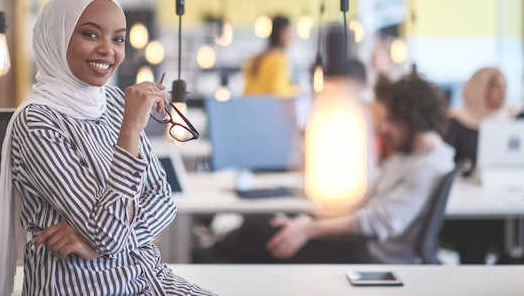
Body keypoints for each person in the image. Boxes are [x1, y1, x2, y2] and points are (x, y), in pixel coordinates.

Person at [0, 0, 214, 295]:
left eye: (118, 39)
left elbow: (163, 200)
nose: (108, 50)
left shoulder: (111, 101)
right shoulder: (37, 121)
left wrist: (95, 245)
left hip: (148, 280)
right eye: (91, 34)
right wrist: (130, 131)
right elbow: (107, 234)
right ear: (57, 37)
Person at [216, 75, 454, 264]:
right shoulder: (409, 156)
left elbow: (378, 221)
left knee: (261, 234)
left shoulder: (429, 167)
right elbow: (368, 196)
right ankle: (214, 252)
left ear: (410, 118)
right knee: (265, 225)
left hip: (368, 258)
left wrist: (309, 230)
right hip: (354, 243)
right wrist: (308, 221)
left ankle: (208, 255)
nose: (384, 128)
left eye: (390, 119)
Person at [440, 67, 513, 264]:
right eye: (495, 87)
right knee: (474, 240)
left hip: (505, 202)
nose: (503, 93)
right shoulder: (456, 122)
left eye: (505, 87)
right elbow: (444, 165)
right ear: (478, 89)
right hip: (469, 211)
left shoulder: (511, 119)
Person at [243, 15, 297, 96]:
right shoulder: (278, 60)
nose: (292, 36)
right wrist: (295, 91)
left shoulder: (255, 58)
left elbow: (247, 90)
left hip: (251, 105)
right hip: (269, 107)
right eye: (289, 32)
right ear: (281, 32)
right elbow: (278, 91)